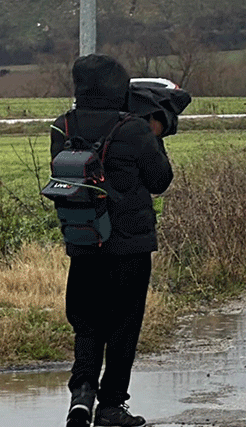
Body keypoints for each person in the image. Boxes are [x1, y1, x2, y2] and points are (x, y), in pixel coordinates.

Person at [51, 55, 173, 427]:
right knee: (123, 326)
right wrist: (155, 135)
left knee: (87, 322)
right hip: (129, 247)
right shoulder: (134, 129)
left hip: (83, 241)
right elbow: (159, 180)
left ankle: (82, 394)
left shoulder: (62, 126)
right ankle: (110, 406)